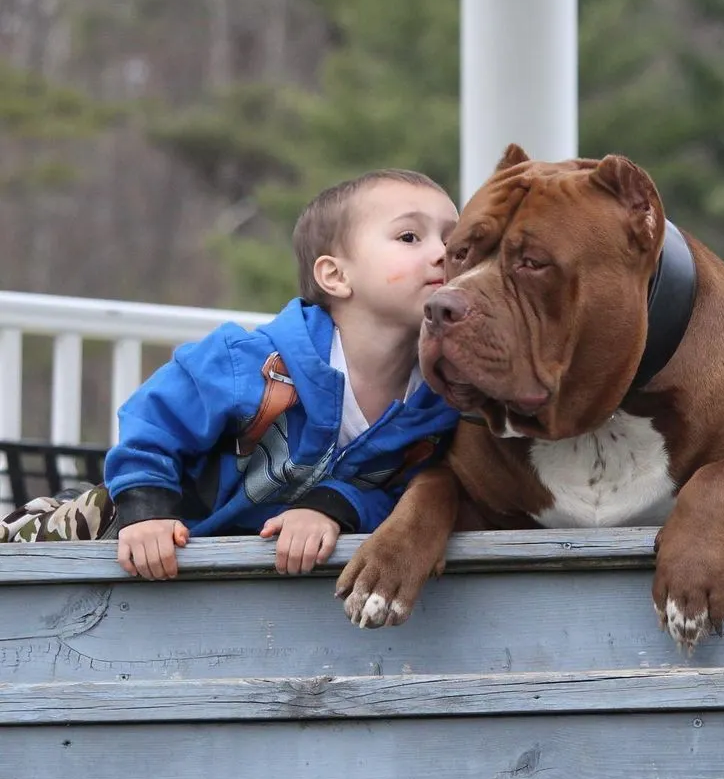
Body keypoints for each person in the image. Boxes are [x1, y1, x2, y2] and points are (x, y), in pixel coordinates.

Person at [0, 169, 461, 581]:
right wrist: (146, 510)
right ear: (335, 276)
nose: (445, 254)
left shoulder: (439, 404)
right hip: (127, 522)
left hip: (234, 571)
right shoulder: (248, 360)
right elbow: (154, 422)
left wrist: (331, 509)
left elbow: (401, 495)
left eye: (456, 241)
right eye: (409, 237)